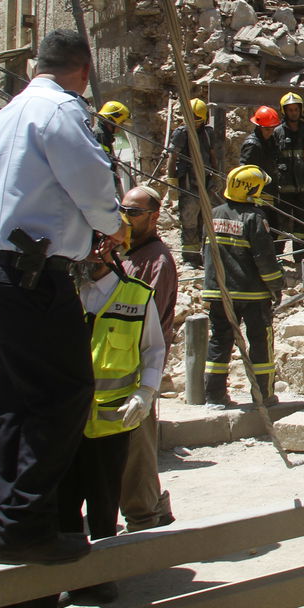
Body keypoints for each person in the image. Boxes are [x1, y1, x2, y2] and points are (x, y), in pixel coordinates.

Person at [0, 29, 126, 565]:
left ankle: (7, 524)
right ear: (83, 70)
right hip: (34, 274)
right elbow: (94, 187)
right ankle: (24, 522)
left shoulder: (4, 115)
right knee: (67, 393)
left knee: (16, 400)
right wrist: (114, 225)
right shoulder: (60, 111)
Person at [56, 249, 165, 605]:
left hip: (109, 424)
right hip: (65, 423)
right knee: (64, 504)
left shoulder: (136, 296)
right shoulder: (62, 290)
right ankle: (72, 576)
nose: (88, 257)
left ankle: (101, 576)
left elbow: (153, 350)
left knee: (104, 505)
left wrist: (146, 392)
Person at [116, 185, 178, 533]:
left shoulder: (156, 261)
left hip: (138, 367)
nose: (126, 217)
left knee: (137, 450)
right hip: (113, 365)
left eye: (133, 212)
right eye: (123, 210)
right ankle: (155, 507)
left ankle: (145, 519)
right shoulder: (124, 253)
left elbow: (147, 320)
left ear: (153, 217)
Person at [203, 165, 284, 409]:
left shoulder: (213, 214)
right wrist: (276, 286)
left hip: (218, 292)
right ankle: (263, 396)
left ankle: (214, 396)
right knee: (260, 343)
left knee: (219, 341)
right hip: (253, 294)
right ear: (252, 190)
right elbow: (264, 259)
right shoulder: (255, 218)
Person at [169, 97, 221, 268]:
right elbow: (172, 157)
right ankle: (190, 258)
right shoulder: (181, 133)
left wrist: (216, 176)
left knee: (205, 220)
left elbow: (212, 155)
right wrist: (172, 181)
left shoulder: (207, 133)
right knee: (189, 220)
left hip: (205, 181)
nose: (193, 123)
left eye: (197, 119)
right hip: (188, 182)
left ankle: (205, 256)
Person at [275, 92, 304, 268]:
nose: (293, 113)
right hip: (283, 187)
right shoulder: (277, 132)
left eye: (296, 109)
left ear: (300, 110)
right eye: (290, 110)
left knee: (302, 225)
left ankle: (299, 258)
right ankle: (277, 256)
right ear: (284, 111)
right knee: (281, 223)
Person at [239, 105, 285, 236]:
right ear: (259, 127)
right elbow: (245, 171)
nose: (270, 132)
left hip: (270, 193)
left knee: (273, 229)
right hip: (257, 197)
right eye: (267, 129)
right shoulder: (252, 144)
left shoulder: (270, 141)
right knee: (261, 230)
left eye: (272, 128)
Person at [95, 100, 131, 181]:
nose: (121, 127)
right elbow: (100, 165)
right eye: (121, 123)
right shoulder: (100, 136)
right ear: (111, 120)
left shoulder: (104, 135)